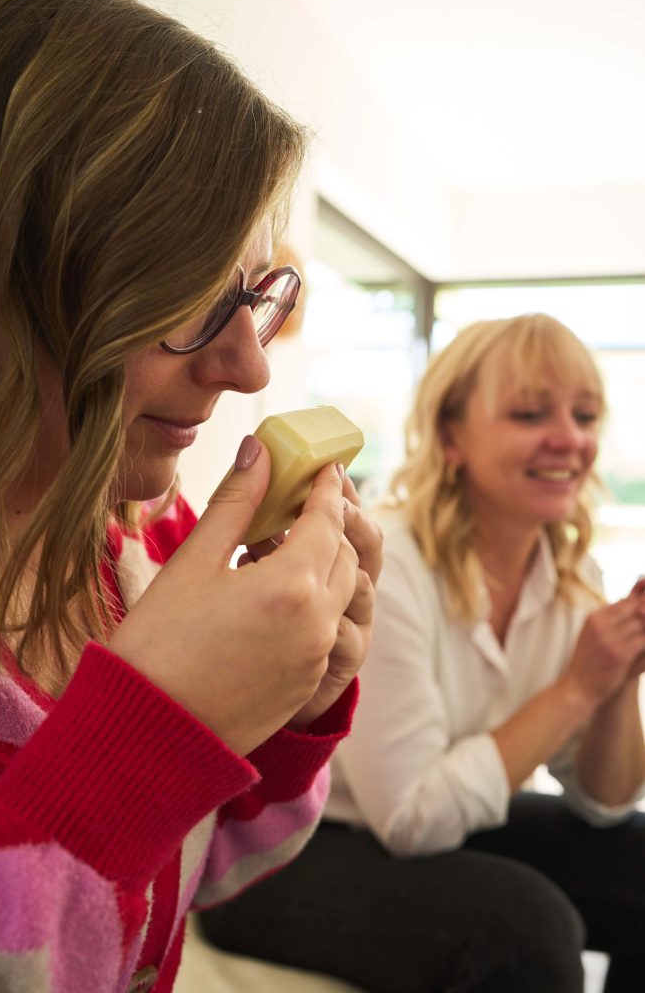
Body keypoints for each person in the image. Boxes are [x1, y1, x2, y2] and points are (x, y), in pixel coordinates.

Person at [0, 0, 383, 992]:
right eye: (186, 297)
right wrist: (149, 728)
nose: (248, 368)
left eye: (253, 294)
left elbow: (213, 867)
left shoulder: (150, 540)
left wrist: (288, 712)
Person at [198, 314, 645, 993]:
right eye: (529, 413)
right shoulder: (394, 563)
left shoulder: (566, 584)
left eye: (584, 415)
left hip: (422, 829)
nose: (568, 438)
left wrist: (614, 682)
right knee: (527, 925)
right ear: (449, 438)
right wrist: (574, 691)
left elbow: (601, 805)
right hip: (282, 852)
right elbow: (411, 818)